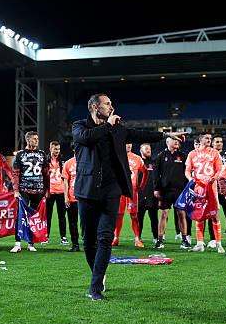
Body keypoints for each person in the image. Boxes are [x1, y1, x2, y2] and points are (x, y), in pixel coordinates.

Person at [72, 93, 187, 300]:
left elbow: (139, 134)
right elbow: (87, 138)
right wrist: (108, 125)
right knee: (88, 240)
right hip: (87, 190)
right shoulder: (80, 126)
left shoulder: (117, 128)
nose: (112, 107)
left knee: (105, 237)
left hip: (111, 190)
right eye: (107, 104)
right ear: (95, 107)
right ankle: (98, 273)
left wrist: (167, 135)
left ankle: (95, 287)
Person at [10, 131, 50, 253]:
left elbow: (46, 173)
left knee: (34, 218)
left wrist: (47, 190)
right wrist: (16, 190)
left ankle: (31, 243)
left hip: (38, 190)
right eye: (34, 139)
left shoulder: (42, 154)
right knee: (20, 216)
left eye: (37, 138)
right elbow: (15, 173)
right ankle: (17, 243)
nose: (37, 140)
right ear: (27, 140)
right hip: (24, 190)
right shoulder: (20, 154)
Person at [185, 132, 224, 253]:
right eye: (206, 138)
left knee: (214, 215)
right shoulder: (192, 154)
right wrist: (190, 180)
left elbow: (219, 170)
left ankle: (218, 244)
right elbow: (187, 170)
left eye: (210, 138)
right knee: (199, 215)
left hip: (211, 189)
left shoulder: (215, 153)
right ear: (200, 140)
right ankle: (200, 244)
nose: (209, 140)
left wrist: (214, 178)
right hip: (198, 189)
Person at [153, 137, 189, 249]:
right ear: (168, 142)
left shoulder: (183, 156)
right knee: (163, 214)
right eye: (174, 140)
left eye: (177, 140)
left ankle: (184, 240)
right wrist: (156, 188)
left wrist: (187, 189)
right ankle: (159, 240)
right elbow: (155, 173)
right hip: (165, 191)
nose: (177, 141)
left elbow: (187, 173)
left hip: (180, 191)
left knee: (181, 214)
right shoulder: (161, 156)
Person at [113, 143, 148, 247]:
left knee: (134, 215)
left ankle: (137, 239)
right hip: (119, 191)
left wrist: (141, 186)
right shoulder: (116, 156)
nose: (128, 145)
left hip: (131, 191)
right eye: (126, 143)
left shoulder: (137, 158)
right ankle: (116, 238)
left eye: (130, 143)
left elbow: (145, 172)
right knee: (119, 215)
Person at [45, 141, 68, 246]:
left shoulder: (62, 160)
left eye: (58, 149)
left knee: (62, 216)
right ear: (50, 149)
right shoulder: (45, 160)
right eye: (55, 149)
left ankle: (63, 237)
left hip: (61, 191)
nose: (57, 151)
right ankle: (46, 236)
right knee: (48, 216)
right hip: (49, 191)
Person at [137, 143, 159, 246]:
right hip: (140, 195)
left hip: (152, 195)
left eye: (149, 149)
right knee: (139, 218)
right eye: (146, 149)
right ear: (141, 151)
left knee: (154, 218)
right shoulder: (138, 163)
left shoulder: (154, 163)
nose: (148, 150)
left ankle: (156, 237)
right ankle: (138, 237)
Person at [62, 146, 80, 252]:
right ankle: (75, 244)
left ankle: (91, 243)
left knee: (88, 222)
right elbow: (65, 181)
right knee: (72, 222)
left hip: (85, 198)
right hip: (72, 197)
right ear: (74, 149)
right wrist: (66, 197)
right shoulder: (68, 163)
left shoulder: (87, 161)